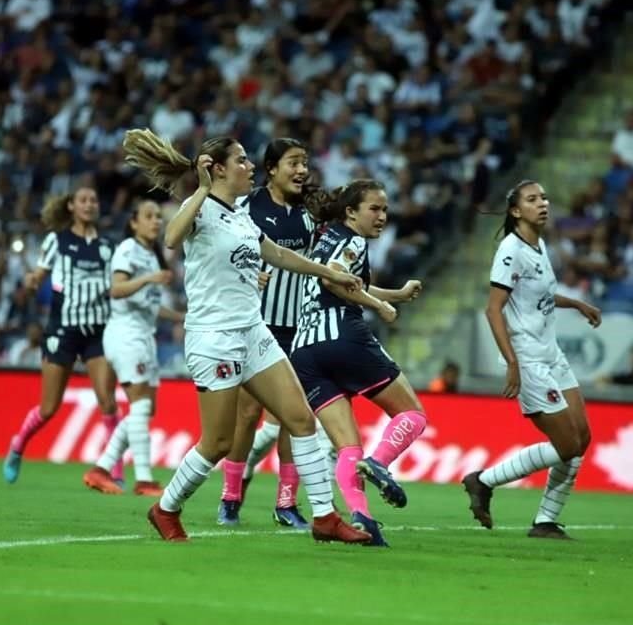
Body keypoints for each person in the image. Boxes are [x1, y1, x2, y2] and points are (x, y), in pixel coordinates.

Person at [121, 128, 370, 544]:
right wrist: (199, 190)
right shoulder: (197, 207)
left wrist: (328, 272)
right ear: (217, 170)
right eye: (241, 160)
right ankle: (165, 508)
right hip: (214, 336)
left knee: (299, 418)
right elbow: (170, 237)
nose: (250, 166)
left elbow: (275, 252)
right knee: (217, 441)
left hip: (253, 329)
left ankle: (325, 517)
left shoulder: (239, 213)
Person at [289, 179, 428, 546]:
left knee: (348, 447)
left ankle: (364, 520)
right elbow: (338, 284)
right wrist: (380, 306)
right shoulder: (353, 240)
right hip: (343, 338)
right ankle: (381, 462)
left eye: (385, 209)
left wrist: (394, 294)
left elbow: (348, 282)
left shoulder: (327, 237)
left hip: (305, 351)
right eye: (374, 209)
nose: (382, 216)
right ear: (351, 212)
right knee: (412, 415)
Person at [462, 180, 602, 540]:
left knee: (582, 437)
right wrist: (512, 363)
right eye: (532, 199)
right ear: (515, 211)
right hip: (528, 358)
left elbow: (538, 296)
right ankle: (483, 481)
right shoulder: (511, 250)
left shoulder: (538, 245)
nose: (542, 203)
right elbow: (494, 310)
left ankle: (546, 521)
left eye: (543, 197)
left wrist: (577, 304)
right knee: (567, 445)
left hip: (551, 353)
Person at [217, 138, 317, 529]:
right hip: (256, 323)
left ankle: (286, 503)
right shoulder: (247, 206)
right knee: (246, 415)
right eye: (293, 162)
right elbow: (222, 251)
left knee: (295, 417)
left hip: (300, 327)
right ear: (272, 168)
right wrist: (244, 273)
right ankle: (230, 496)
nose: (301, 170)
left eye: (305, 162)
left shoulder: (311, 213)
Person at [2, 187, 122, 484]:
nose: (89, 204)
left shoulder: (108, 246)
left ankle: (113, 471)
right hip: (63, 330)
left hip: (98, 330)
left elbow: (118, 284)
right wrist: (31, 282)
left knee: (108, 402)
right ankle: (17, 446)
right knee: (48, 408)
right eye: (83, 200)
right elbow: (39, 276)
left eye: (94, 200)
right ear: (71, 206)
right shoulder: (56, 241)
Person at [83, 200, 174, 497]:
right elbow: (116, 289)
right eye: (149, 216)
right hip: (125, 334)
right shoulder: (128, 250)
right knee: (141, 406)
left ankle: (101, 469)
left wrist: (183, 317)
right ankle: (144, 479)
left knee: (145, 409)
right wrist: (149, 278)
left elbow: (150, 304)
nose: (156, 221)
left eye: (158, 216)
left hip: (143, 336)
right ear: (134, 222)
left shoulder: (151, 255)